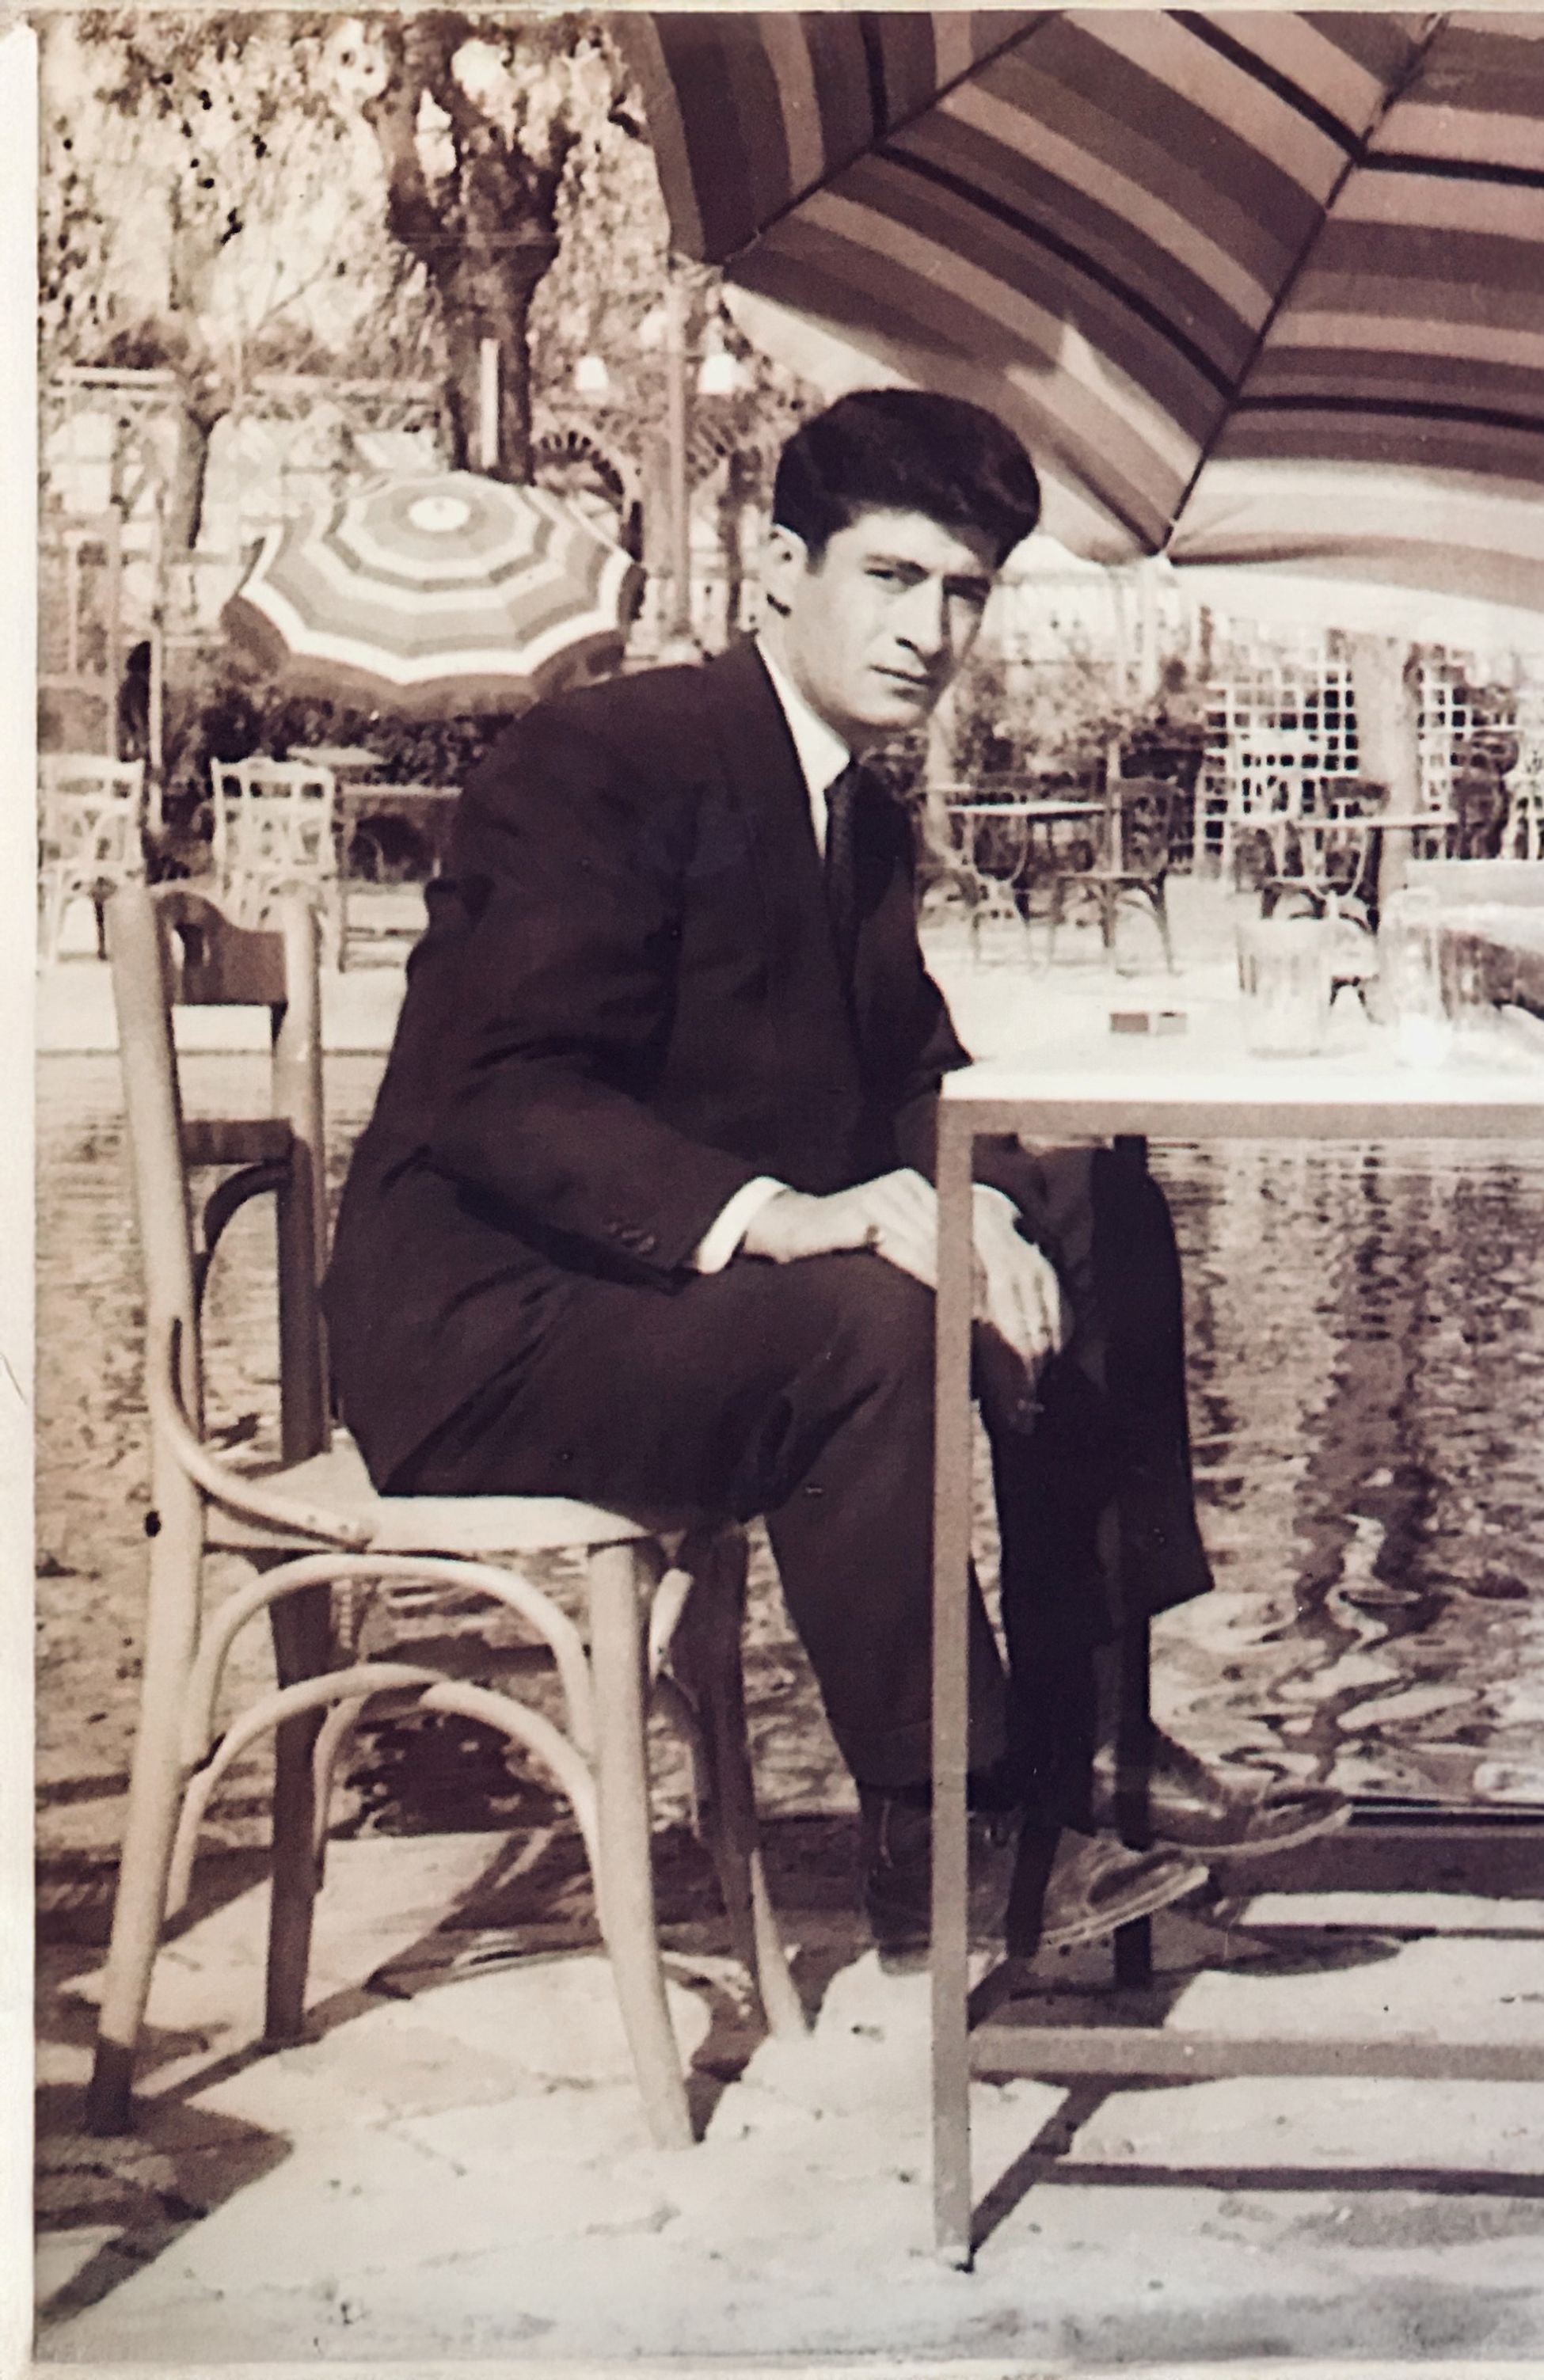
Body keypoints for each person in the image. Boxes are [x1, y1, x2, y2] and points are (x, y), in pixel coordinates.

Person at [323, 390, 1344, 1970]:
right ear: (782, 567)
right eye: (892, 577)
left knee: (1093, 1201)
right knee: (865, 1321)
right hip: (489, 1331)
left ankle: (1090, 1731)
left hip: (656, 1307)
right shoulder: (605, 759)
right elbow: (499, 1093)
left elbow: (913, 1079)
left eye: (964, 592)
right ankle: (948, 1843)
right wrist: (790, 1217)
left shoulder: (855, 810)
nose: (929, 631)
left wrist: (986, 1193)